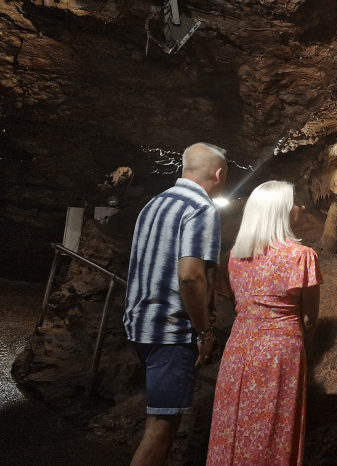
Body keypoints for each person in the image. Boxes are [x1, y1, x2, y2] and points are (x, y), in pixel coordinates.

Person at [124, 142, 228, 466]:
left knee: (157, 418)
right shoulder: (201, 207)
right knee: (161, 428)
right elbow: (190, 277)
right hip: (170, 332)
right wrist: (205, 333)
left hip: (139, 326)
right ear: (219, 174)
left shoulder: (154, 204)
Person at [207, 180, 323, 466]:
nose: (302, 206)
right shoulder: (301, 256)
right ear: (280, 211)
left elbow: (230, 300)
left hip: (238, 350)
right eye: (294, 201)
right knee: (274, 430)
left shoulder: (233, 257)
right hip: (281, 351)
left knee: (232, 423)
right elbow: (309, 319)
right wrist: (296, 346)